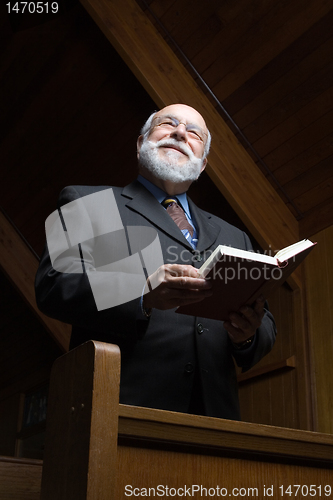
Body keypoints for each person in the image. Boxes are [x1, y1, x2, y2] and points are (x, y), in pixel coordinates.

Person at [35, 104, 276, 420]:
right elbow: (53, 284)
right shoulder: (88, 203)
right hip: (119, 412)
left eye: (194, 133)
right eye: (168, 123)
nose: (179, 133)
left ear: (202, 164)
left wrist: (247, 334)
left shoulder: (235, 236)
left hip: (215, 422)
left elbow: (266, 324)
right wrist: (141, 293)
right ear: (140, 144)